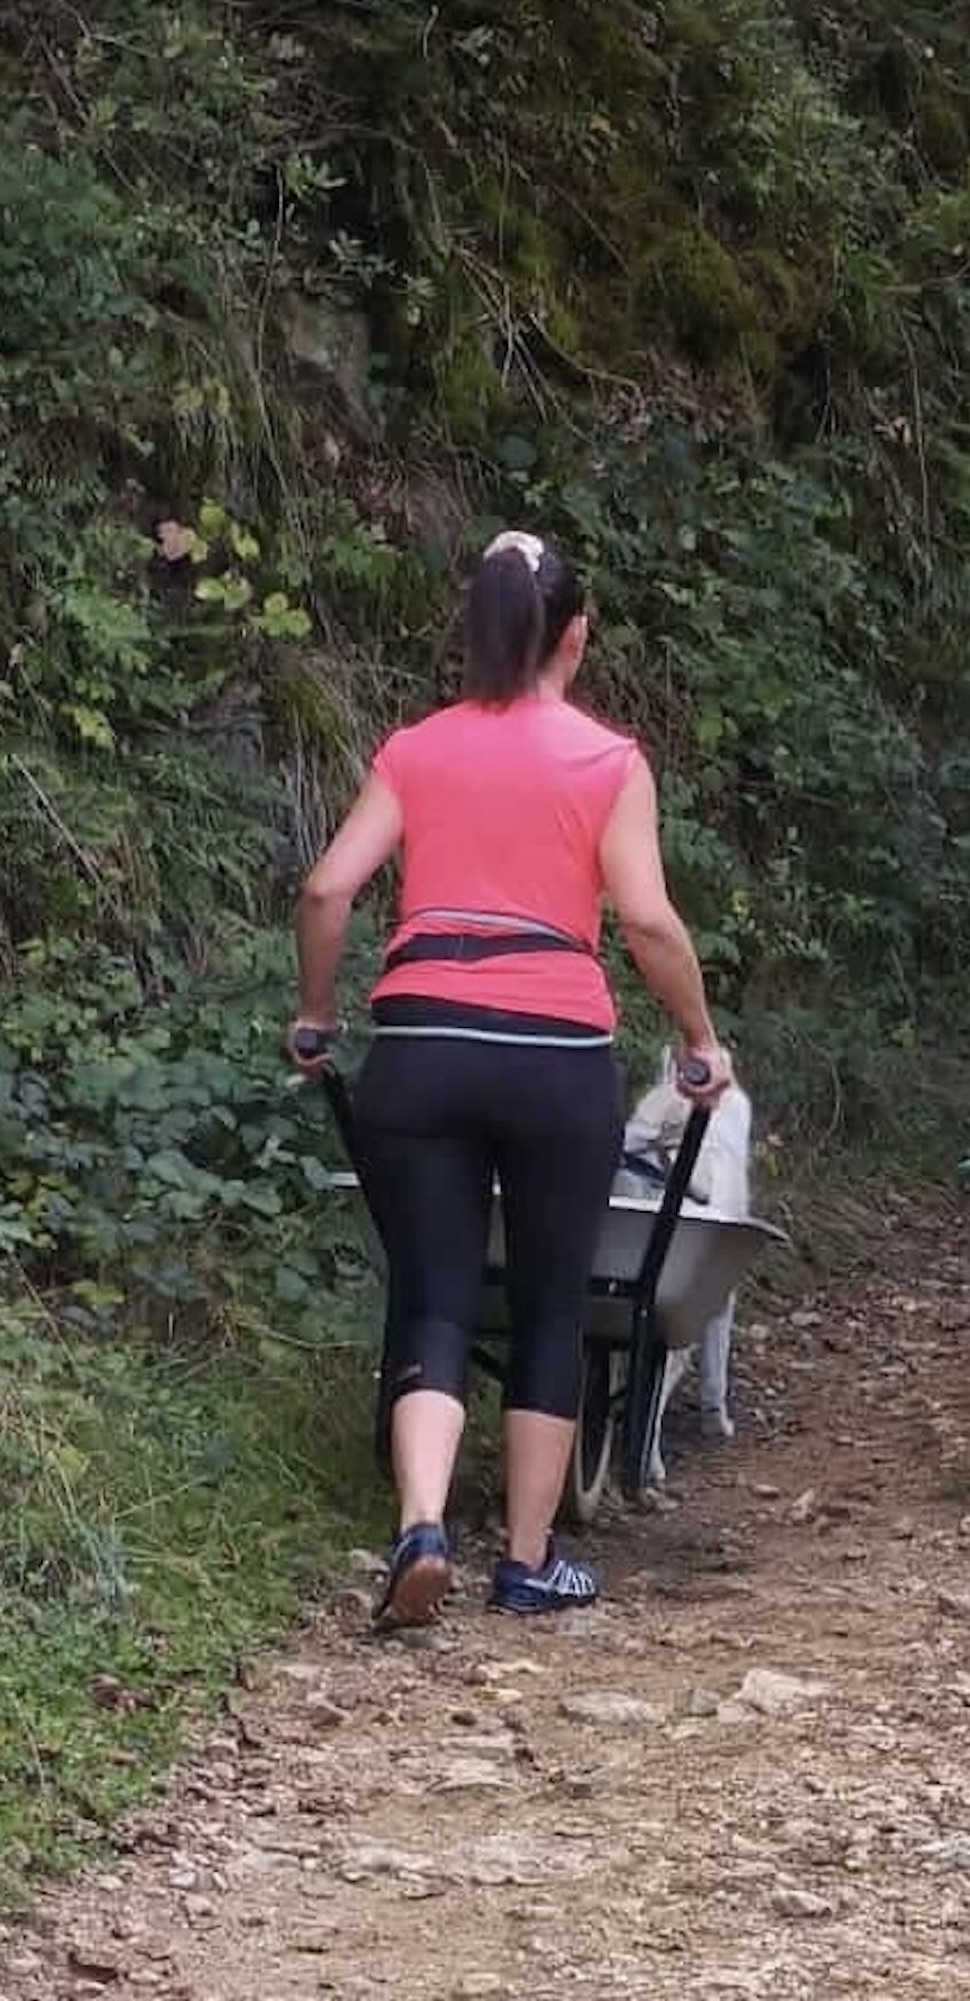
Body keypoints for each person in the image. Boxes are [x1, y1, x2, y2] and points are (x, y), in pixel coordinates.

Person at [289, 528, 732, 1630]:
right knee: (548, 1304)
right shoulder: (608, 760)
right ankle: (528, 1562)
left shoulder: (415, 749)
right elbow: (646, 920)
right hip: (555, 1060)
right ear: (575, 637)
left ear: (473, 632)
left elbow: (327, 889)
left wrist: (317, 1013)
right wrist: (699, 1038)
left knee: (433, 1295)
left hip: (421, 1049)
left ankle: (422, 1526)